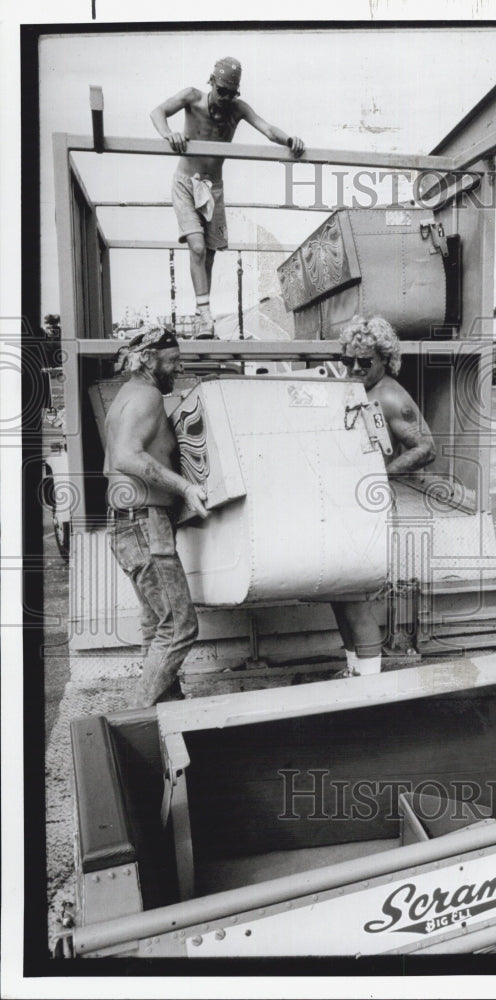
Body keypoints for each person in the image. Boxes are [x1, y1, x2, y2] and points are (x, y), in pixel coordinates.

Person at [151, 57, 305, 338]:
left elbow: (268, 129)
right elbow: (158, 112)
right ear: (211, 81)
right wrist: (168, 134)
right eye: (221, 90)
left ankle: (202, 317)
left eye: (231, 93)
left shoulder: (236, 109)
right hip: (186, 182)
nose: (225, 97)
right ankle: (206, 316)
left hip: (213, 188)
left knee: (208, 253)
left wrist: (290, 140)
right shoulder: (192, 98)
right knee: (196, 247)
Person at [104, 327, 209, 707]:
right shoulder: (147, 396)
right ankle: (137, 718)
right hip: (145, 522)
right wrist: (185, 488)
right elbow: (127, 457)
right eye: (173, 361)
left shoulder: (124, 398)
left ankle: (167, 715)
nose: (178, 369)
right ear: (148, 359)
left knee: (157, 628)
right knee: (180, 627)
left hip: (127, 523)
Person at [331, 316, 436, 677]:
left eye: (364, 362)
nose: (355, 369)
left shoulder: (389, 395)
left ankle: (370, 682)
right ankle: (353, 671)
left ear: (384, 360)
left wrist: (380, 474)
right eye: (348, 361)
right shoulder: (353, 389)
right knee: (339, 592)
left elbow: (426, 447)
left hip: (370, 509)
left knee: (356, 598)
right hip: (347, 506)